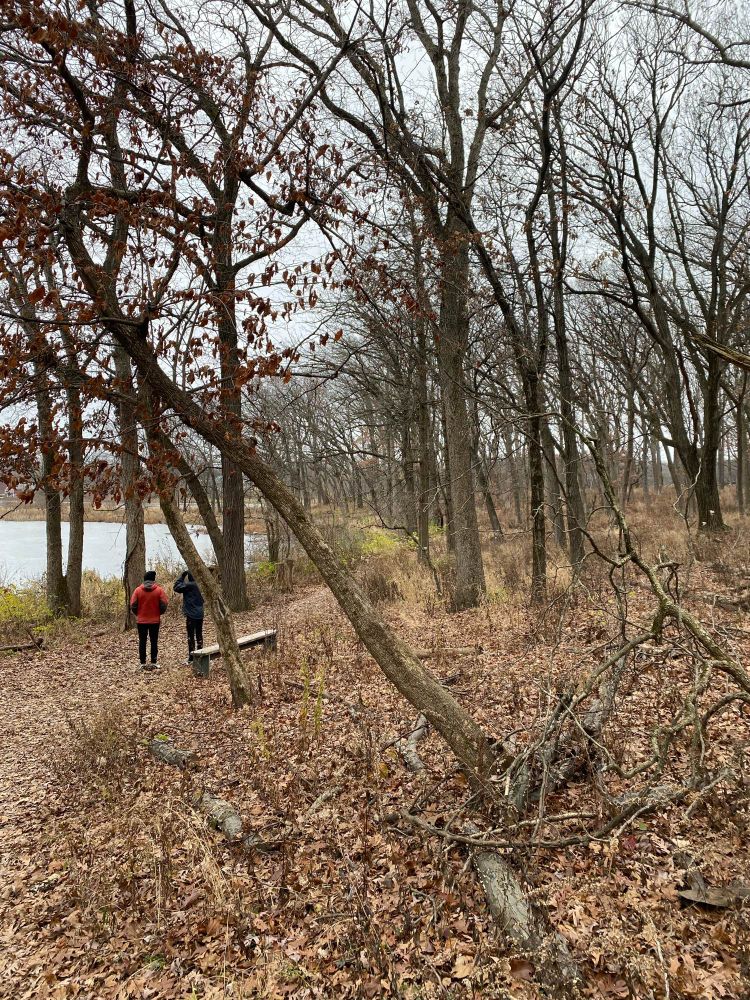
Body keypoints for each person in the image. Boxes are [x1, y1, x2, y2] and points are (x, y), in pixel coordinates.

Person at [129, 570, 169, 670]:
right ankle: (154, 662)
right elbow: (164, 604)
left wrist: (138, 614)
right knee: (154, 641)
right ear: (153, 579)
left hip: (141, 621)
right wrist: (159, 613)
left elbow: (133, 605)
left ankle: (142, 663)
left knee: (142, 641)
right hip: (155, 621)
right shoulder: (159, 590)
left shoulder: (138, 590)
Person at [174, 569, 205, 664]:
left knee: (191, 636)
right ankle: (200, 654)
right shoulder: (200, 585)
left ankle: (191, 657)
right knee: (199, 634)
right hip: (200, 613)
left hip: (191, 614)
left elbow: (176, 587)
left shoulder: (189, 585)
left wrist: (182, 576)